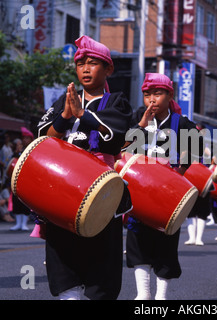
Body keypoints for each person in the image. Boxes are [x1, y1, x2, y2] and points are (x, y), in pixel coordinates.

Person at [37, 35, 132, 300]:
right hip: (64, 187)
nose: (85, 69)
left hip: (100, 189)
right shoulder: (64, 101)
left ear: (108, 69)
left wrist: (83, 116)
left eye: (93, 63)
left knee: (102, 258)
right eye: (80, 64)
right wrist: (66, 116)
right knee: (61, 252)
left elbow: (115, 139)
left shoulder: (117, 103)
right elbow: (43, 138)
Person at [124, 72, 202, 300]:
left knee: (165, 241)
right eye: (147, 94)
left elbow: (197, 146)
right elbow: (124, 145)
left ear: (170, 95)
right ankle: (143, 293)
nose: (152, 100)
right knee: (137, 239)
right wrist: (141, 125)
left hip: (167, 192)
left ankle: (161, 296)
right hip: (139, 188)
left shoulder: (180, 122)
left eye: (157, 94)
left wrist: (180, 171)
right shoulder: (139, 118)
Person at [10, 128, 34, 231]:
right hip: (17, 179)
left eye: (27, 138)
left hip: (26, 179)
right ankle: (18, 223)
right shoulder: (18, 150)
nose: (25, 140)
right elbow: (12, 162)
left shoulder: (32, 149)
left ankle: (24, 223)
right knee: (16, 201)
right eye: (24, 138)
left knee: (25, 202)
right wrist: (16, 152)